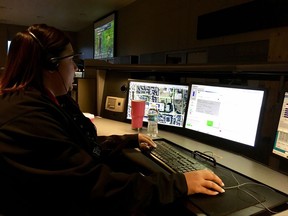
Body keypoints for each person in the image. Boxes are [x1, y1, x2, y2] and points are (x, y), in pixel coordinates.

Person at [0, 24, 225, 216]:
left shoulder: (40, 101)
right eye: (71, 60)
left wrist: (127, 140)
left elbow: (80, 149)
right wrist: (180, 183)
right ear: (50, 65)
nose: (76, 67)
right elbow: (96, 186)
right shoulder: (29, 118)